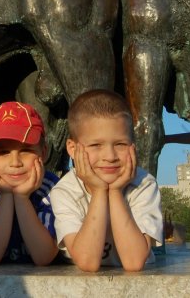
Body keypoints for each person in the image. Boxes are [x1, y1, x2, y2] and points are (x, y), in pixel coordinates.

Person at [50, 90, 163, 271]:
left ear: (133, 146)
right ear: (72, 148)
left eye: (120, 144)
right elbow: (87, 262)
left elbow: (134, 263)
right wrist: (100, 191)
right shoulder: (64, 191)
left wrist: (116, 192)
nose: (110, 156)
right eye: (96, 145)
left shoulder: (144, 185)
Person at [0, 102, 59, 265]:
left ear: (44, 152)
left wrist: (22, 198)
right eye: (3, 152)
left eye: (26, 150)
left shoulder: (53, 190)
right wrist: (6, 196)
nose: (15, 162)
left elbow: (44, 257)